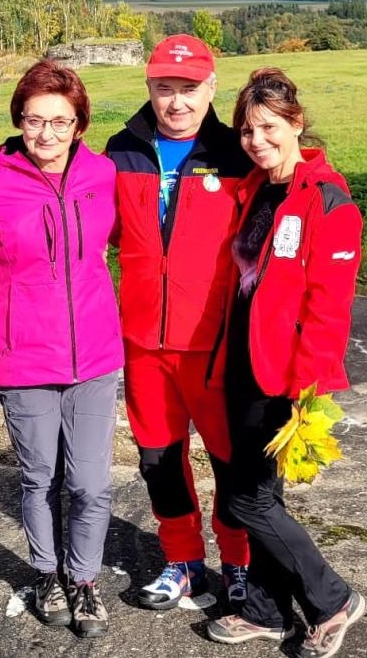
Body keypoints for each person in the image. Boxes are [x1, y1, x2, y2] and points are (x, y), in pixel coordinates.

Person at [206, 67, 367, 658]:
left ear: (296, 123)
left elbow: (330, 306)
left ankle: (332, 600)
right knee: (257, 496)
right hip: (242, 367)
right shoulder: (254, 188)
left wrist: (307, 389)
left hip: (285, 379)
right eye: (248, 129)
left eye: (269, 127)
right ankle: (267, 611)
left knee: (246, 500)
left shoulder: (327, 200)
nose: (257, 140)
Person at [105, 34, 254, 610]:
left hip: (212, 342)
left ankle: (238, 562)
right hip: (143, 342)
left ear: (211, 89)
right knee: (159, 461)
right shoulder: (122, 150)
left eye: (189, 90)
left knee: (228, 460)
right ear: (149, 87)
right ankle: (182, 560)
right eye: (165, 88)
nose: (177, 102)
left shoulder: (236, 154)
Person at [0, 61, 122, 639]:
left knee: (90, 482)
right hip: (23, 355)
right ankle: (46, 573)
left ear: (80, 124)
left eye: (61, 121)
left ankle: (83, 579)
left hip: (94, 353)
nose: (47, 134)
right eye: (35, 120)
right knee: (39, 478)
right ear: (18, 120)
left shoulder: (103, 175)